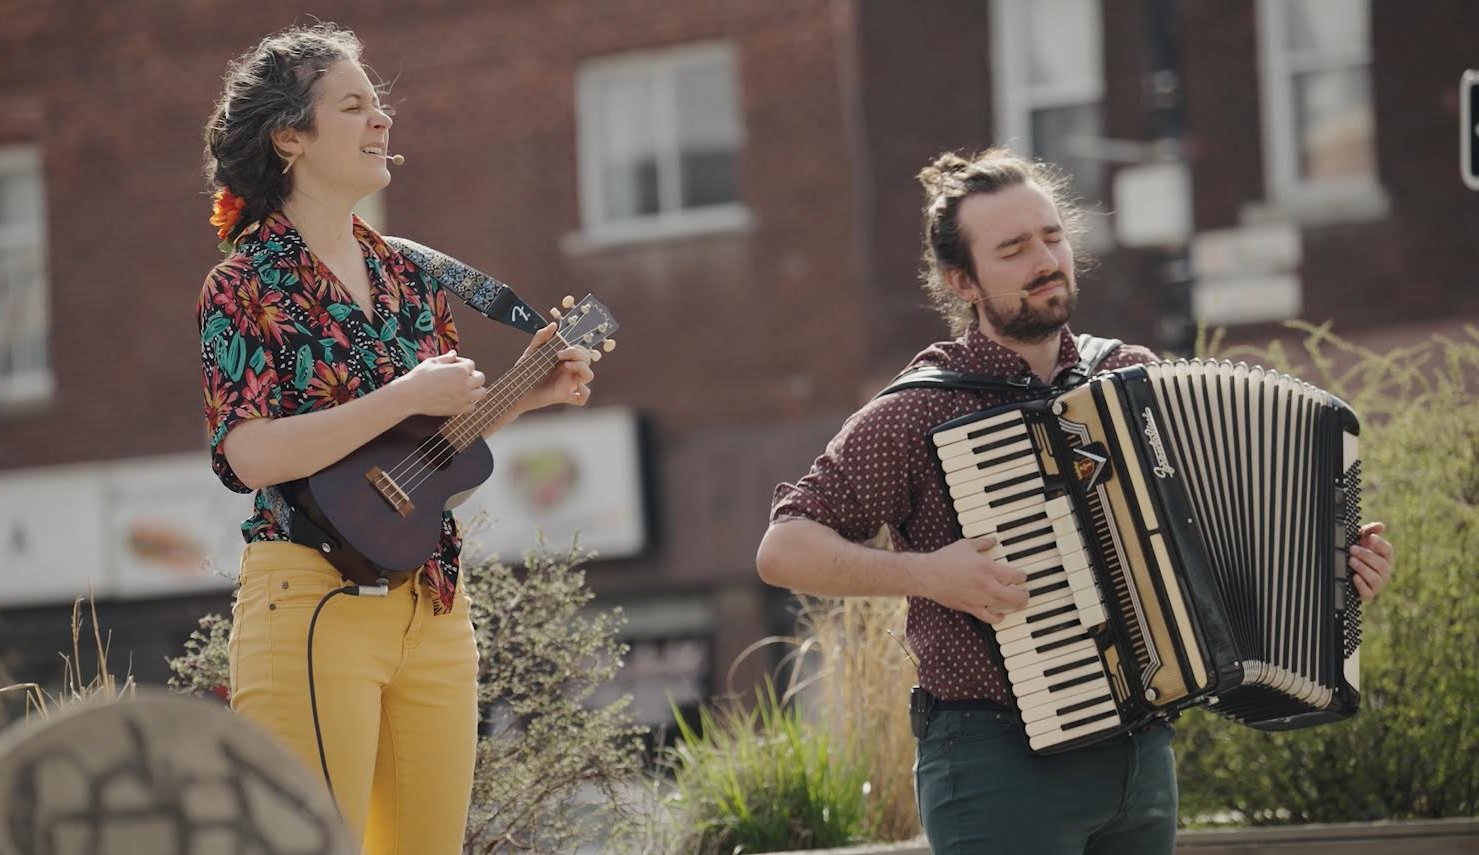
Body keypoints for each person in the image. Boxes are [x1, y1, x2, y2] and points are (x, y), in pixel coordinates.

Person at [754, 147, 1395, 854]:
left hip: (1142, 759)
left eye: (1052, 236)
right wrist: (926, 574)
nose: (1045, 259)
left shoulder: (1131, 376)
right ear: (962, 280)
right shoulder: (916, 413)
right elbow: (784, 548)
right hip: (996, 761)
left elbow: (1214, 541)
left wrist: (1330, 568)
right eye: (1014, 249)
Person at [196, 23, 594, 854]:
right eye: (354, 105)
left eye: (380, 106)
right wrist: (400, 394)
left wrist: (526, 395)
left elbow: (422, 453)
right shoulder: (243, 283)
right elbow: (249, 453)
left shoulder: (413, 276)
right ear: (289, 137)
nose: (382, 121)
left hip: (435, 603)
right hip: (310, 598)